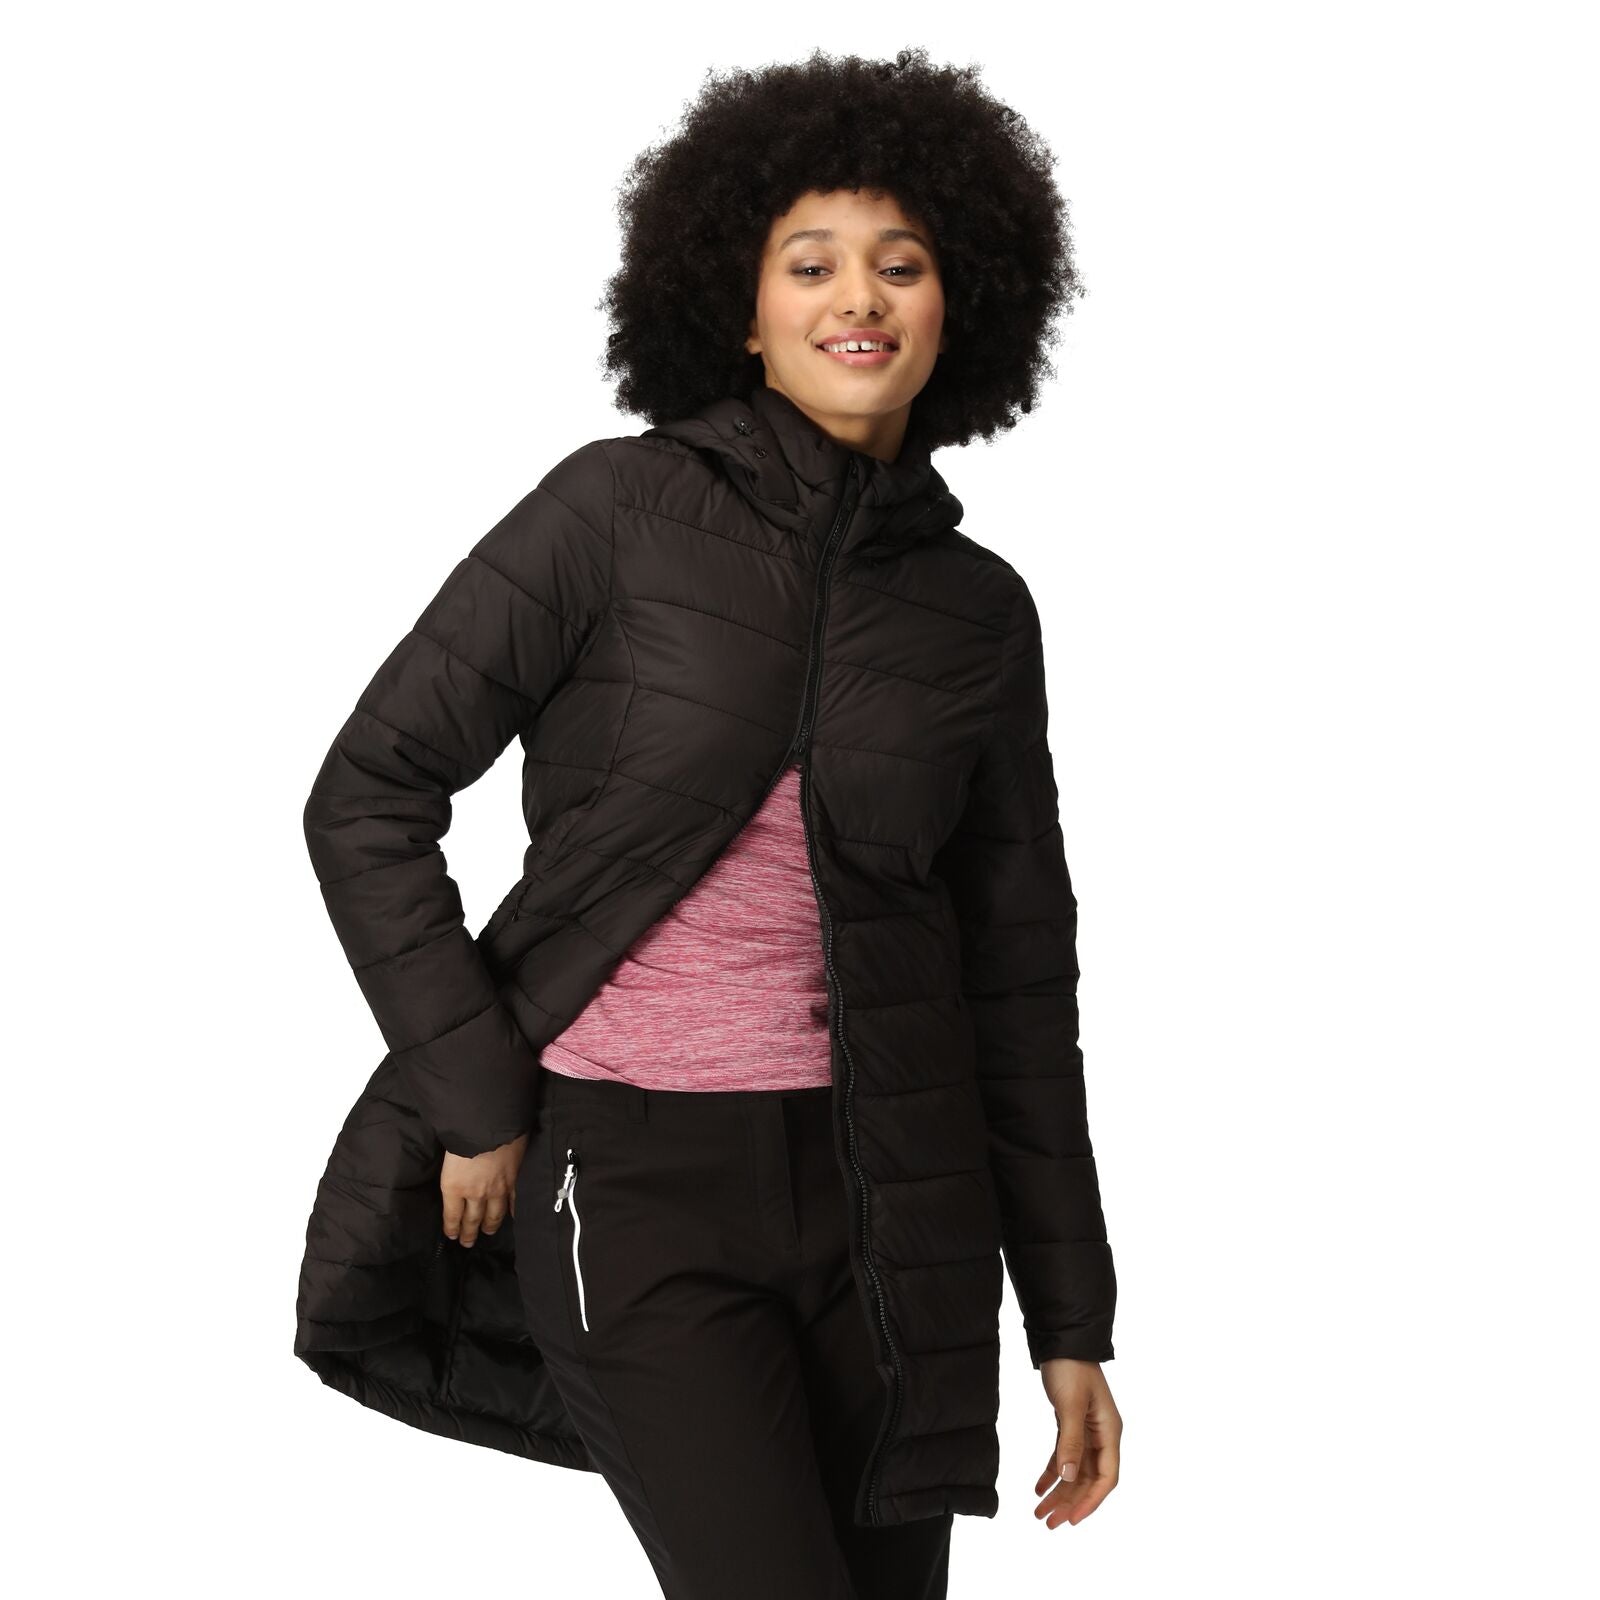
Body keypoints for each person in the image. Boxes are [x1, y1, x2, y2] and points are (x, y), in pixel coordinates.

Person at [295, 46, 1122, 1600]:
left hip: (891, 1204)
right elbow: (369, 796)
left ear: (962, 306)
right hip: (628, 1182)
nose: (858, 295)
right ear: (738, 311)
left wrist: (1072, 1321)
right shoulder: (612, 512)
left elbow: (1019, 984)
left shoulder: (976, 615)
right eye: (810, 263)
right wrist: (476, 1096)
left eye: (901, 263)